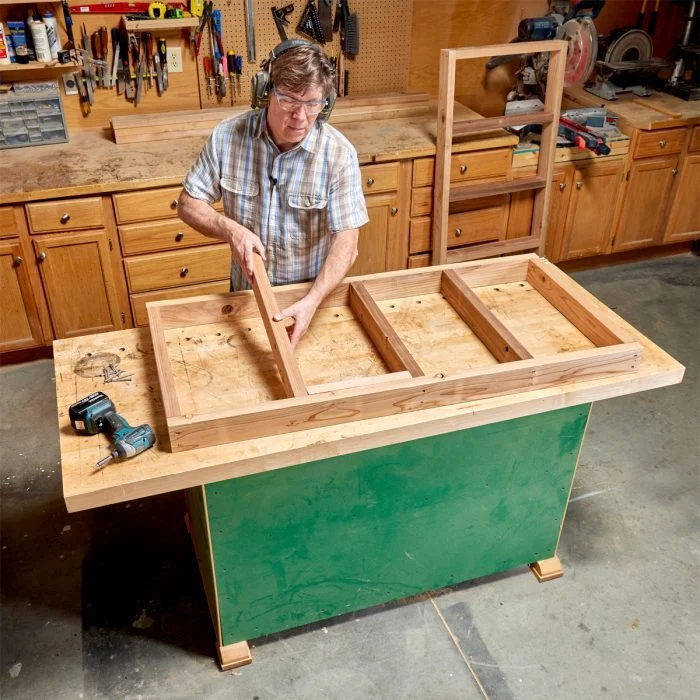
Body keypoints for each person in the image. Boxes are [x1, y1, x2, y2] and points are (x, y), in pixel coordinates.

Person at [177, 40, 369, 348]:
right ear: (266, 92)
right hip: (247, 297)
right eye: (290, 101)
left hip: (310, 299)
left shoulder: (338, 154)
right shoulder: (228, 138)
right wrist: (231, 229)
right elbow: (188, 205)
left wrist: (313, 300)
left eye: (313, 104)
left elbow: (348, 242)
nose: (301, 118)